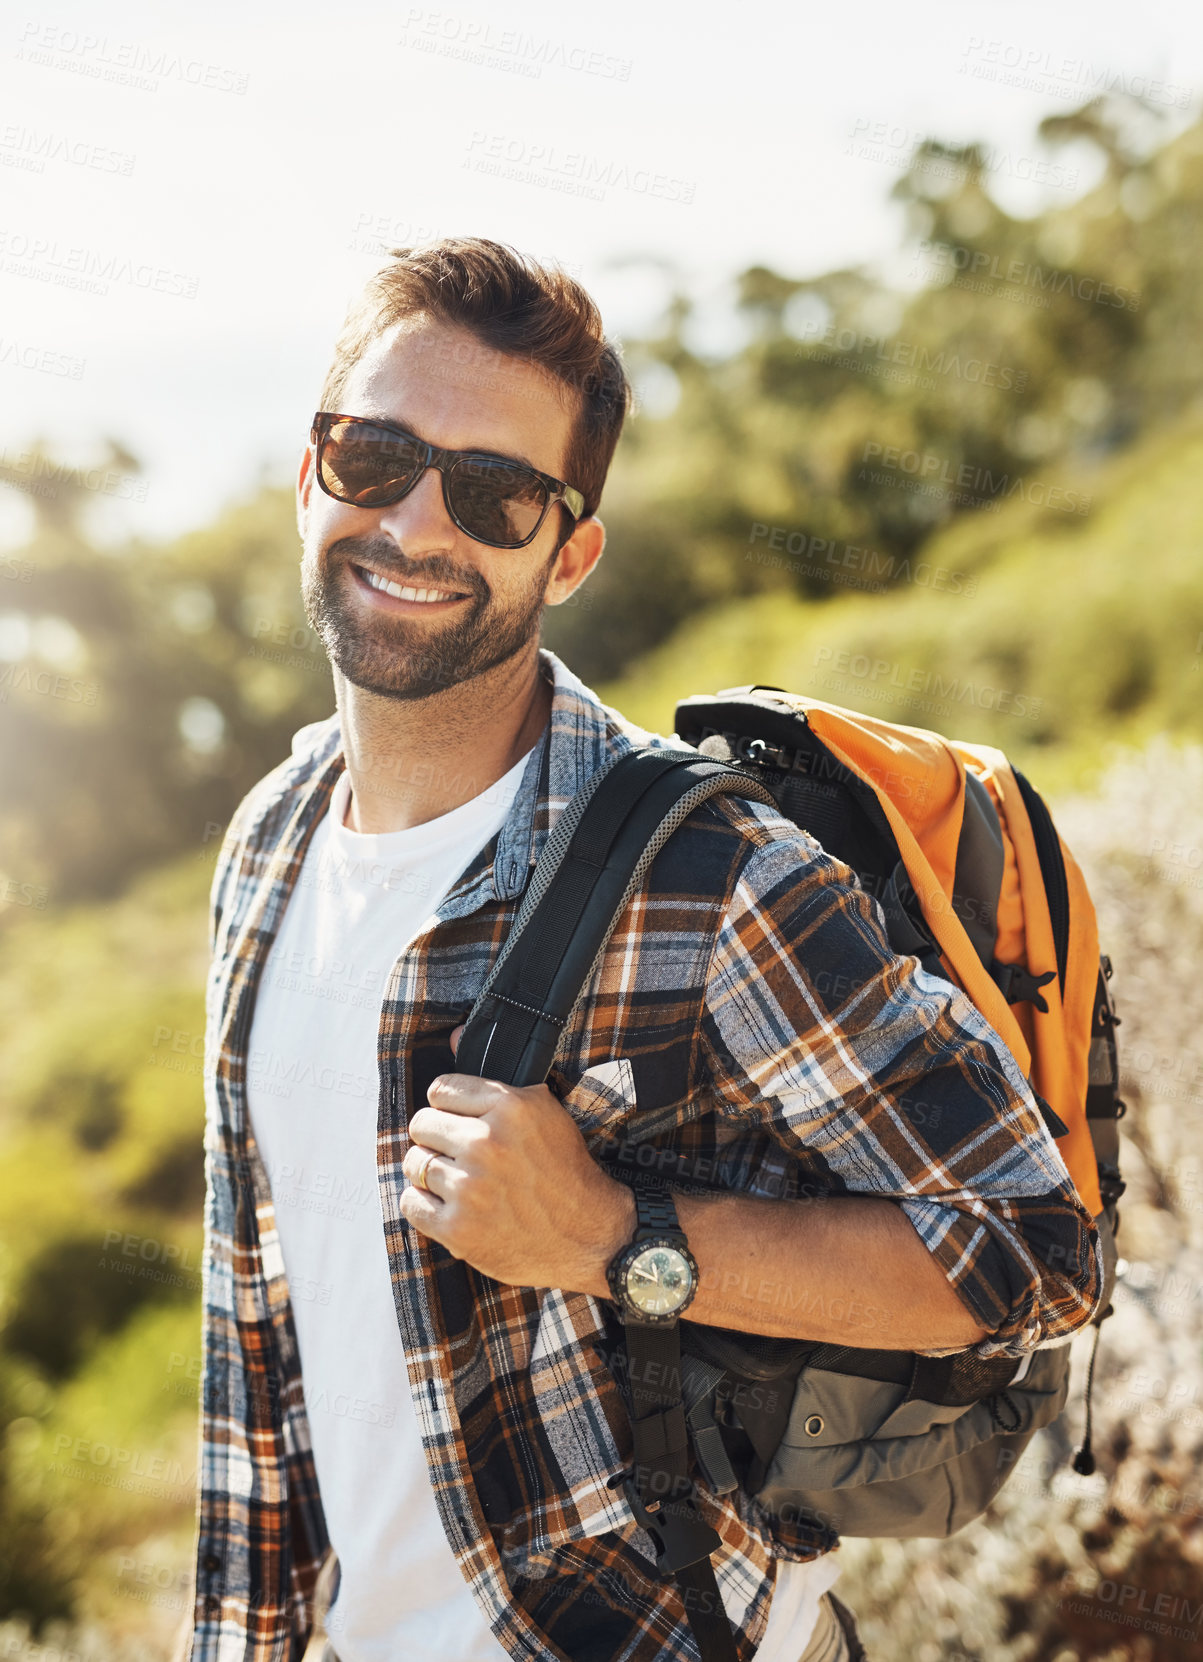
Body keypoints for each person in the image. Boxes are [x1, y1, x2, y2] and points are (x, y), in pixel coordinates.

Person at [182, 238, 1102, 1662]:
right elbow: (256, 1355)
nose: (420, 525)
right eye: (376, 456)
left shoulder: (709, 879)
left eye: (495, 493)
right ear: (311, 475)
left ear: (570, 552)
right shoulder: (267, 847)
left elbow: (1033, 1251)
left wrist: (621, 1239)